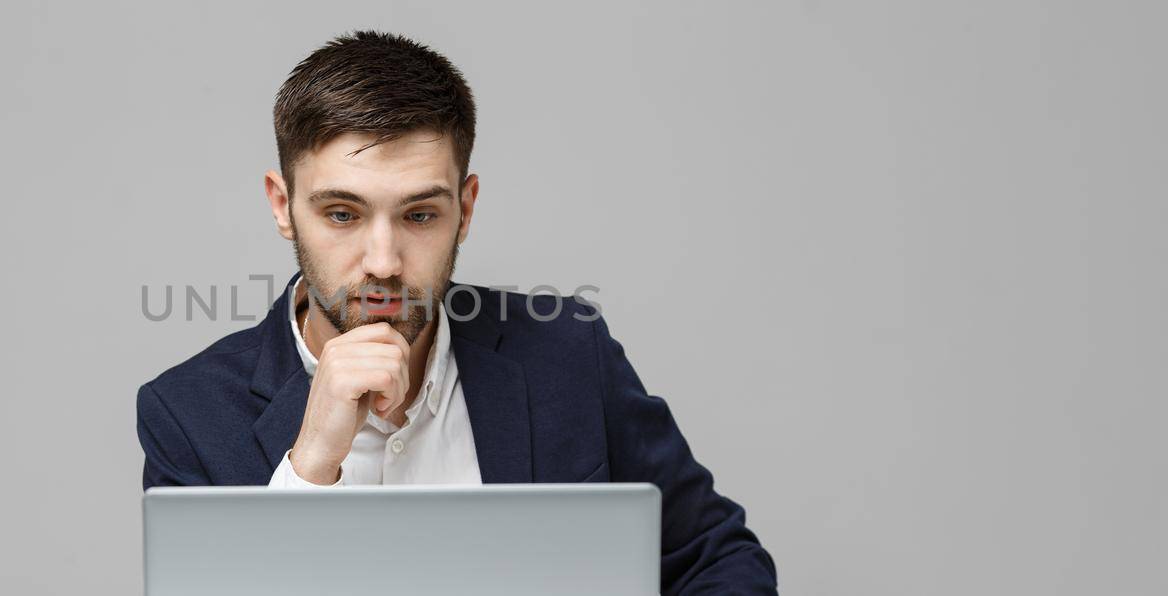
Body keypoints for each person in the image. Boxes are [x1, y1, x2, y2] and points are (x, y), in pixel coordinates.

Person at [135, 30, 777, 594]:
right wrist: (310, 464)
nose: (383, 261)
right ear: (283, 207)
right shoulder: (187, 413)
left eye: (419, 215)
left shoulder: (569, 353)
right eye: (341, 214)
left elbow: (716, 561)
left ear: (464, 210)